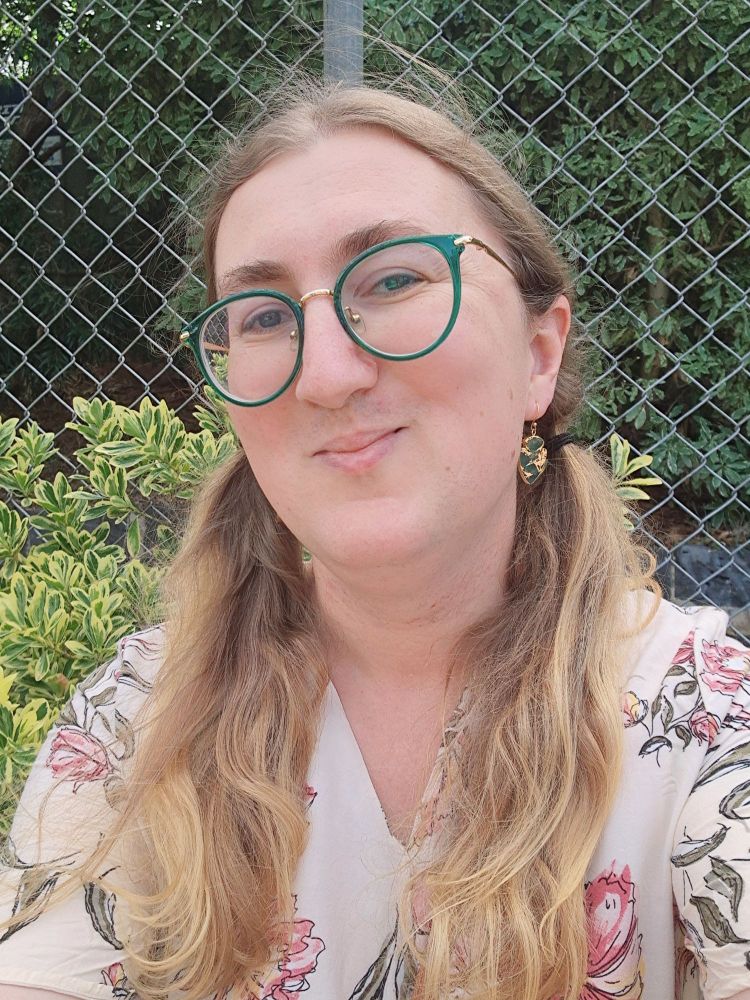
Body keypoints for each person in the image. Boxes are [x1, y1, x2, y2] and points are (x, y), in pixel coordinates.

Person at [0, 74, 748, 1000]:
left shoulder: (707, 731)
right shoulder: (134, 725)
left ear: (538, 353)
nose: (326, 375)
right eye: (263, 316)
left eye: (394, 279)